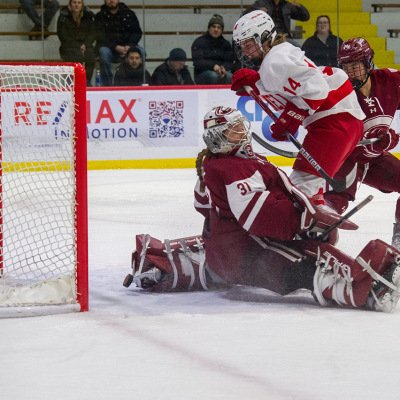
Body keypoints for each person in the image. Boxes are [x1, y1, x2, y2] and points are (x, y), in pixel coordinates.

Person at [124, 106, 400, 313]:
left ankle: (171, 266)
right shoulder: (235, 169)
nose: (243, 133)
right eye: (235, 130)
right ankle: (364, 291)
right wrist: (304, 219)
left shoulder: (216, 164)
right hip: (247, 252)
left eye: (241, 127)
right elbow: (259, 216)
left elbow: (204, 205)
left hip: (227, 250)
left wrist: (304, 213)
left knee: (311, 247)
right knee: (312, 260)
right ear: (220, 137)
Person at [230, 10, 365, 202]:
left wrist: (292, 117)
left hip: (334, 122)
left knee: (301, 191)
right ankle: (317, 231)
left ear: (264, 38)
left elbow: (316, 87)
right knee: (306, 189)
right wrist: (257, 84)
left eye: (248, 44)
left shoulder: (274, 61)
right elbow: (292, 88)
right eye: (242, 45)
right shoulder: (278, 55)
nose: (244, 51)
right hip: (341, 120)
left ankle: (311, 230)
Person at [323, 38, 400, 249]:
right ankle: (308, 243)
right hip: (346, 159)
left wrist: (381, 143)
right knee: (330, 208)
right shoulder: (336, 92)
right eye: (346, 68)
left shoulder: (391, 80)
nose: (350, 73)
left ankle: (399, 242)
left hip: (375, 160)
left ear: (368, 62)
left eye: (355, 67)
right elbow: (333, 137)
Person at [95, 0, 142, 86]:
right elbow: (99, 36)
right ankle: (107, 85)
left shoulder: (129, 14)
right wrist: (115, 47)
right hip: (109, 47)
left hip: (128, 46)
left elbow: (137, 32)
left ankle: (138, 81)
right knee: (103, 52)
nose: (111, 1)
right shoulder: (99, 16)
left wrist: (129, 46)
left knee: (141, 52)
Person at [57, 0, 96, 86]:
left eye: (79, 3)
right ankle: (74, 82)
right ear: (70, 4)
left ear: (82, 5)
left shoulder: (88, 16)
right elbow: (62, 36)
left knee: (90, 55)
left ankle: (87, 81)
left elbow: (92, 33)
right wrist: (79, 46)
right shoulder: (63, 17)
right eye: (74, 2)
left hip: (86, 45)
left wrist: (85, 45)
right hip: (68, 46)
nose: (76, 5)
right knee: (77, 55)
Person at [191, 14, 233, 85]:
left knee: (230, 77)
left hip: (221, 72)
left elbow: (229, 61)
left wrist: (223, 68)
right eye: (213, 27)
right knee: (213, 76)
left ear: (222, 30)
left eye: (219, 27)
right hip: (202, 73)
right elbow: (198, 61)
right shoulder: (199, 42)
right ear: (208, 28)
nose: (216, 29)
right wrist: (213, 66)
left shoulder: (226, 44)